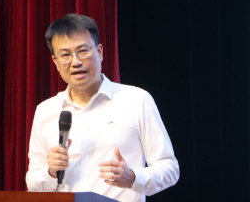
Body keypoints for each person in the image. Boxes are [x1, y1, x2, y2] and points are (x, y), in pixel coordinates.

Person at [26, 14, 179, 202]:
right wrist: (49, 172)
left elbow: (170, 169)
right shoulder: (45, 111)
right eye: (65, 55)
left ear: (99, 52)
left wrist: (133, 178)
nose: (75, 62)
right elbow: (33, 184)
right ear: (56, 62)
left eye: (83, 51)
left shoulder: (136, 100)